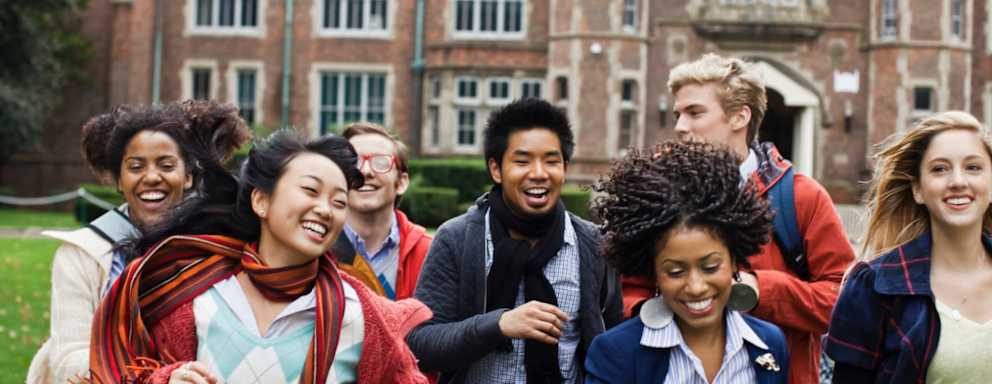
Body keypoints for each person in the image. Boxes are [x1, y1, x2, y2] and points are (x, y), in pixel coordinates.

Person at [87, 129, 431, 383]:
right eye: (310, 190)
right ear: (261, 201)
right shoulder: (192, 299)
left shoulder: (360, 315)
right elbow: (127, 372)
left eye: (339, 202)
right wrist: (165, 380)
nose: (325, 210)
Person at [621, 53, 855, 383]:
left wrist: (763, 289)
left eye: (695, 113)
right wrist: (658, 311)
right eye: (678, 114)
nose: (679, 127)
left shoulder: (802, 198)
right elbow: (628, 292)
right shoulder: (656, 194)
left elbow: (846, 304)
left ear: (739, 117)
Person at [26, 100, 251, 384]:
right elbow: (68, 362)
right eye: (136, 166)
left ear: (188, 177)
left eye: (166, 165)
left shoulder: (214, 250)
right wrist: (156, 377)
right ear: (120, 180)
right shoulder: (83, 255)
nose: (152, 177)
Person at [407, 98, 624, 383]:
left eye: (551, 161)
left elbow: (612, 343)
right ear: (496, 169)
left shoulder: (592, 245)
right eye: (522, 161)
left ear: (565, 168)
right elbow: (421, 343)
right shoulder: (457, 238)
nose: (538, 173)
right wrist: (497, 324)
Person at [585, 140, 789, 384]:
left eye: (710, 267)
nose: (695, 286)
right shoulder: (616, 353)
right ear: (654, 273)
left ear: (734, 261)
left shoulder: (770, 344)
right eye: (675, 271)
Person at [826, 111, 992, 383]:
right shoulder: (874, 286)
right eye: (940, 169)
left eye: (973, 167)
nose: (958, 181)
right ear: (918, 190)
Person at [333, 122, 431, 300]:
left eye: (380, 162)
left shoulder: (430, 252)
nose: (365, 171)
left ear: (401, 182)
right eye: (354, 162)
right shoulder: (316, 249)